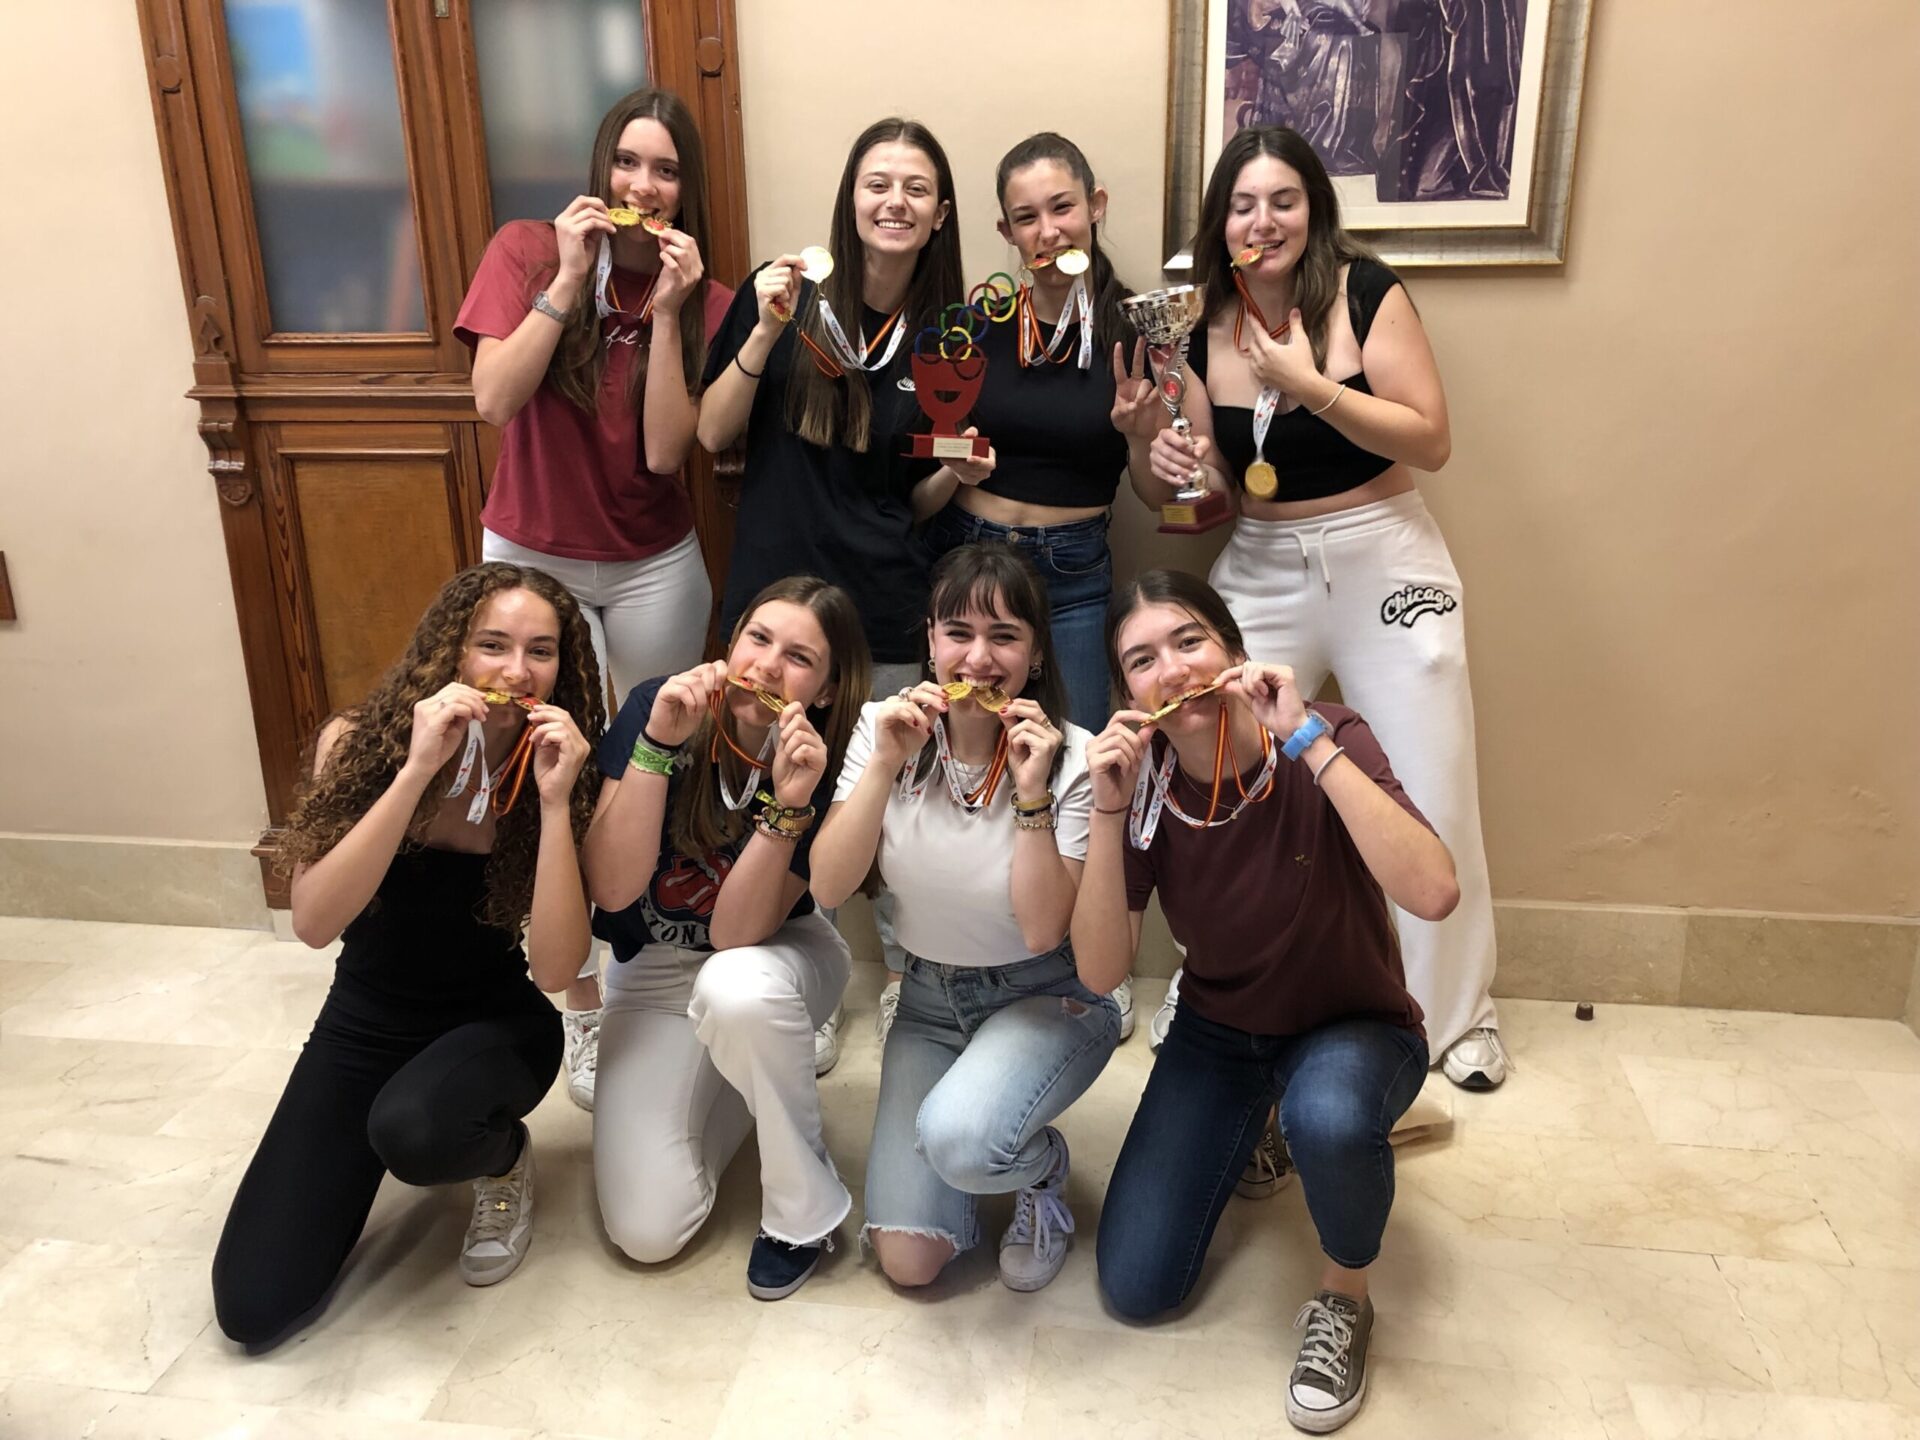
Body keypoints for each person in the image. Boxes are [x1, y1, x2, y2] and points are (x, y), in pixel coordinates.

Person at [1136, 124, 1504, 1089]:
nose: (1264, 222)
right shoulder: (1198, 325)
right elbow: (1209, 495)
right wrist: (1169, 459)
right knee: (1219, 765)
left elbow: (1430, 440)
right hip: (1261, 558)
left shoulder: (1367, 291)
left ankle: (1457, 1017)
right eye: (1243, 205)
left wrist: (1308, 387)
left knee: (1431, 778)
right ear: (1220, 223)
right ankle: (1218, 987)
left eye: (1283, 201)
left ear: (1313, 210)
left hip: (1386, 553)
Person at [1075, 570, 1457, 1434]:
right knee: (1136, 1285)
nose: (1173, 670)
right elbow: (1099, 973)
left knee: (1332, 1116)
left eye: (1189, 642)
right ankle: (1268, 1128)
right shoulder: (1142, 785)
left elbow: (1435, 892)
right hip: (1221, 1034)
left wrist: (1310, 743)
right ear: (1128, 694)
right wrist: (1103, 812)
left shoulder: (1327, 733)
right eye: (1142, 660)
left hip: (1354, 1024)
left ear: (1235, 653)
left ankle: (1346, 1296)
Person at [211, 563, 602, 1348]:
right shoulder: (359, 741)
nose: (515, 671)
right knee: (253, 1303)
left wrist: (558, 803)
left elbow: (558, 972)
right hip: (363, 1022)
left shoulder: (556, 767)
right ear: (451, 650)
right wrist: (417, 769)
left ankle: (501, 1157)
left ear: (563, 668)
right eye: (492, 644)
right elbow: (314, 923)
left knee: (415, 1131)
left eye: (540, 651)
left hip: (494, 1025)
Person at [456, 87, 732, 1109]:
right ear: (600, 167)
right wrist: (571, 280)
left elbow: (664, 454)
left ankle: (640, 964)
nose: (642, 187)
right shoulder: (529, 249)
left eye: (665, 171)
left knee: (651, 757)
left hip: (655, 557)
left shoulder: (705, 294)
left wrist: (667, 313)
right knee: (537, 760)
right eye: (628, 163)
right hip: (533, 557)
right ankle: (571, 998)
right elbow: (494, 399)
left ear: (686, 190)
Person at [696, 117, 980, 1068]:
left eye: (915, 188)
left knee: (890, 797)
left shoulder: (945, 335)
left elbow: (910, 495)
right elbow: (712, 433)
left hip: (887, 605)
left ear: (940, 214)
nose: (895, 201)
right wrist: (762, 330)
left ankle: (907, 978)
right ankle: (803, 972)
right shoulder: (783, 294)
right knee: (778, 790)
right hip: (778, 607)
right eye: (877, 183)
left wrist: (957, 475)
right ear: (850, 198)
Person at [898, 130, 1158, 1047]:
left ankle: (1093, 964)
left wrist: (1138, 433)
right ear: (1006, 232)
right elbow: (927, 459)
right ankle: (930, 961)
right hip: (969, 557)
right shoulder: (979, 325)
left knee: (1082, 762)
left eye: (1062, 208)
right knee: (948, 753)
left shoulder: (1135, 329)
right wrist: (953, 463)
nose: (1047, 231)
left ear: (1095, 206)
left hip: (1074, 571)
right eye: (1025, 217)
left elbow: (1157, 492)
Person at [810, 544, 1117, 1294]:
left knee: (964, 1141)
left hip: (1045, 993)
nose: (978, 659)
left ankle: (1038, 1166)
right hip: (927, 999)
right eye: (958, 633)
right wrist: (884, 765)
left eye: (1004, 636)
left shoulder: (1072, 756)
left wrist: (1033, 793)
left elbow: (1043, 930)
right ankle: (984, 1138)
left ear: (1036, 654)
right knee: (909, 1263)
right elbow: (830, 882)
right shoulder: (882, 727)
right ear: (930, 641)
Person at [581, 577, 869, 1300]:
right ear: (731, 643)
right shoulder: (659, 705)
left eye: (799, 658)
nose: (767, 666)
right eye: (758, 639)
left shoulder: (827, 760)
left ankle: (802, 1211)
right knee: (649, 1231)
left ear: (827, 690)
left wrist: (789, 803)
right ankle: (757, 1080)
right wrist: (655, 746)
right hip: (651, 970)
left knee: (733, 990)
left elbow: (735, 935)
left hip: (772, 962)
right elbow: (611, 889)